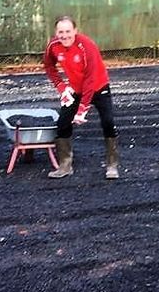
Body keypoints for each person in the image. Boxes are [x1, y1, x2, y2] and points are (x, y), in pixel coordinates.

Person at [43, 16, 119, 179]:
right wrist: (61, 88)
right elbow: (49, 66)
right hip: (75, 89)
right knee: (63, 123)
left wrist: (83, 108)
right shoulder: (53, 46)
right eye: (60, 32)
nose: (64, 35)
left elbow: (90, 78)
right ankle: (65, 166)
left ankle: (112, 165)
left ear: (75, 31)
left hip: (98, 87)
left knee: (108, 122)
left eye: (68, 31)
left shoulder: (87, 46)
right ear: (56, 33)